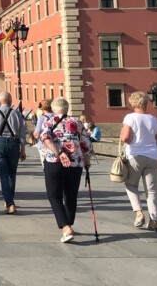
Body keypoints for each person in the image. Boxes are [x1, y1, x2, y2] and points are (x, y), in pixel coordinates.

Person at [40, 97, 92, 243]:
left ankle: (65, 227)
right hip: (76, 163)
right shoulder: (77, 122)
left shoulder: (49, 121)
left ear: (53, 109)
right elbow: (86, 143)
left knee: (54, 195)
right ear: (67, 108)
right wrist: (87, 161)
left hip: (54, 161)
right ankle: (68, 226)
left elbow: (45, 138)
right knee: (71, 195)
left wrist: (60, 153)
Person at [121, 91, 157, 231]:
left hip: (135, 155)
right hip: (153, 156)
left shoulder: (130, 118)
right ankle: (154, 220)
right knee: (151, 191)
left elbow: (126, 138)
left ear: (132, 103)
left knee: (131, 185)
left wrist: (122, 135)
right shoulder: (154, 120)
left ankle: (139, 213)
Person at [0, 91, 26, 214]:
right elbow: (22, 131)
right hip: (14, 143)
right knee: (12, 174)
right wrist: (23, 148)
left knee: (3, 174)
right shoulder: (17, 114)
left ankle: (9, 202)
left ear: (0, 101)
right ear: (10, 100)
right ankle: (9, 201)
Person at [32, 99, 54, 168]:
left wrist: (33, 134)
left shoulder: (42, 118)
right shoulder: (56, 116)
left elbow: (37, 134)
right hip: (55, 144)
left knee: (46, 166)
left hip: (43, 145)